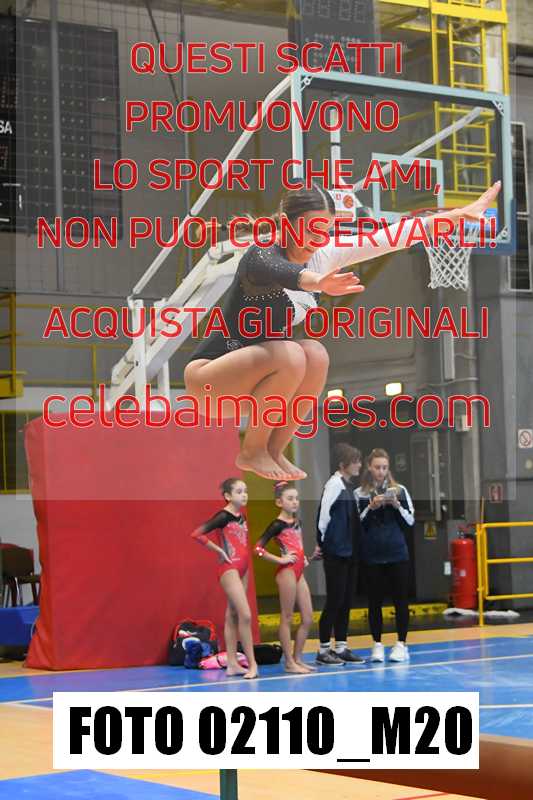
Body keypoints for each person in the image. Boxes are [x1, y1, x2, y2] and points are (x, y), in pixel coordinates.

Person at [184, 182, 501, 482]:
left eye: (325, 230)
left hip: (254, 388)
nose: (317, 239)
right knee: (292, 353)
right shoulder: (261, 254)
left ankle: (274, 449)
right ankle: (252, 451)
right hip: (210, 380)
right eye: (311, 229)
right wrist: (318, 282)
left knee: (316, 354)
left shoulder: (324, 255)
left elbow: (391, 237)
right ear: (286, 223)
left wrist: (457, 215)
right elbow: (286, 273)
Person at [190, 477, 258, 679]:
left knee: (232, 615)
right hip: (229, 568)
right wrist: (218, 549)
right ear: (228, 496)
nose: (244, 495)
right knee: (245, 615)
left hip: (243, 568)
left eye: (245, 491)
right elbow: (197, 534)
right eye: (239, 492)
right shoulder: (223, 516)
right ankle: (252, 664)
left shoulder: (241, 516)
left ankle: (232, 664)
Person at [355, 448, 415, 663]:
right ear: (369, 468)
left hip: (397, 553)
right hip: (372, 555)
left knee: (400, 600)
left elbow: (410, 521)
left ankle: (401, 644)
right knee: (374, 602)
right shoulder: (360, 493)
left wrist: (397, 505)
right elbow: (356, 524)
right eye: (377, 467)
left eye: (384, 468)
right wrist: (371, 507)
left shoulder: (400, 490)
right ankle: (377, 644)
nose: (381, 471)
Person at [254, 482, 315, 674]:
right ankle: (289, 663)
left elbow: (297, 544)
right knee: (287, 616)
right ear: (279, 502)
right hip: (286, 572)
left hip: (299, 572)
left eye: (296, 498)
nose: (295, 502)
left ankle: (298, 658)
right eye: (290, 499)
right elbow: (258, 549)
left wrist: (304, 558)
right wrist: (281, 559)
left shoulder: (297, 521)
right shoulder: (277, 525)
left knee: (308, 617)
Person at [314, 442, 364, 665]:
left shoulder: (348, 487)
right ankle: (323, 649)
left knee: (345, 600)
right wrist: (322, 543)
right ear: (343, 464)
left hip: (349, 551)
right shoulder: (334, 485)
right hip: (336, 551)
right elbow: (323, 517)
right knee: (334, 600)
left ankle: (341, 647)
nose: (359, 465)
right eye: (355, 461)